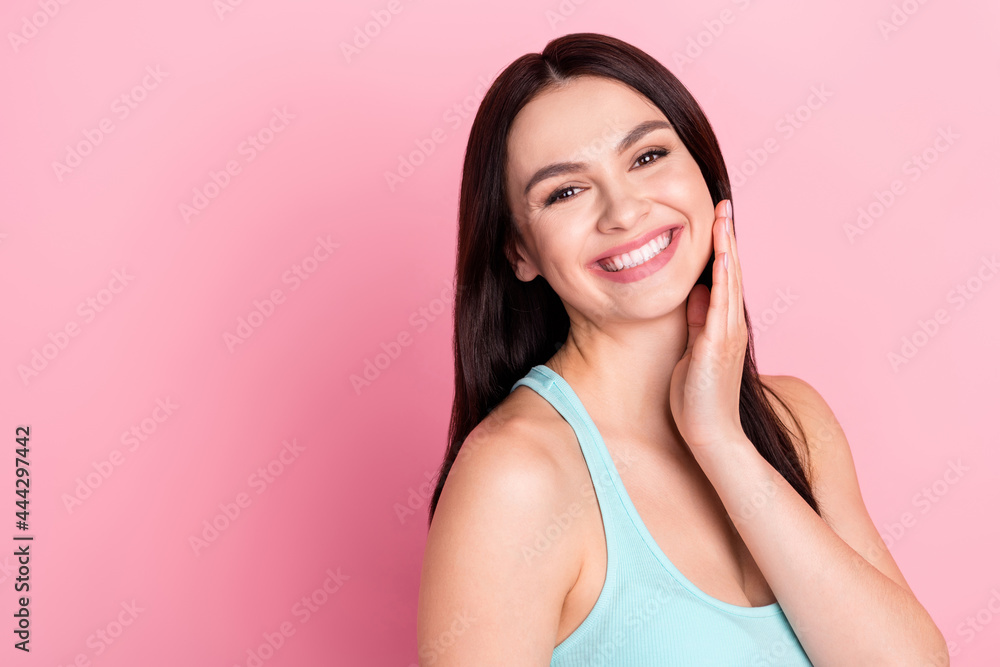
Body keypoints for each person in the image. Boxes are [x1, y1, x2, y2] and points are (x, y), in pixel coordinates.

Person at [417, 32, 948, 666]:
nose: (623, 211)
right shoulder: (515, 479)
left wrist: (719, 439)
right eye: (565, 192)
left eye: (646, 157)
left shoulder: (795, 419)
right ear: (519, 252)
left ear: (704, 171)